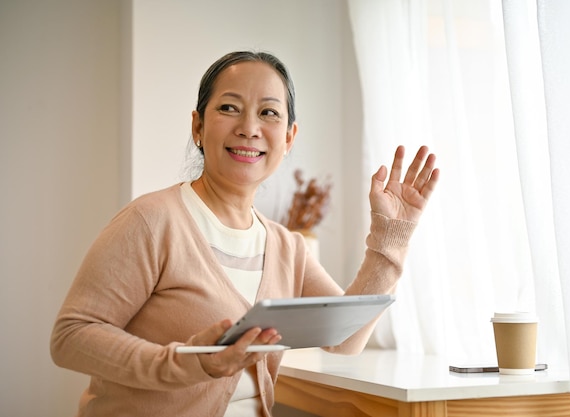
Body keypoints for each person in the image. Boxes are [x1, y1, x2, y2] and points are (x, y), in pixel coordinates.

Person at [50, 50, 439, 417]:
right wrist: (188, 362)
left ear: (288, 138)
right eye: (229, 108)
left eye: (269, 113)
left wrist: (392, 236)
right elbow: (71, 337)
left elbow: (345, 340)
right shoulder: (151, 221)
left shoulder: (287, 246)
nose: (249, 128)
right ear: (198, 126)